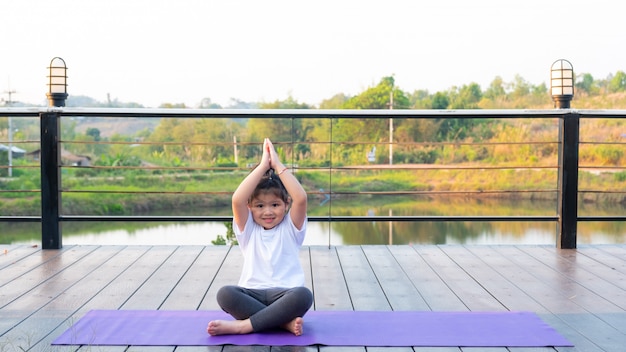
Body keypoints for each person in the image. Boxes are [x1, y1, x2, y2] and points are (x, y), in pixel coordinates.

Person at [207, 138, 313, 336]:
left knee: (304, 295)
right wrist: (263, 165)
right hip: (251, 293)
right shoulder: (249, 230)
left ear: (286, 204)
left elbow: (302, 198)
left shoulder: (291, 227)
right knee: (225, 294)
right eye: (260, 206)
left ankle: (244, 326)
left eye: (275, 205)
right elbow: (237, 199)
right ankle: (282, 324)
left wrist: (278, 164)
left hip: (286, 294)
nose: (268, 212)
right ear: (250, 207)